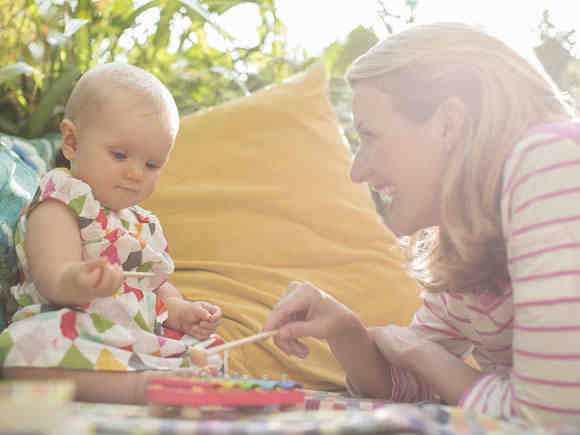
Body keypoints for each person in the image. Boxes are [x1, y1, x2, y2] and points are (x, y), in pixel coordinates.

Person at [264, 22, 580, 426]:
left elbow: (552, 420)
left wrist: (421, 352)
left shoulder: (551, 162)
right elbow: (415, 386)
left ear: (449, 123)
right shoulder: (466, 251)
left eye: (371, 135)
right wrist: (347, 332)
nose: (358, 171)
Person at [0, 62, 223, 402]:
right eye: (119, 155)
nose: (135, 174)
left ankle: (166, 377)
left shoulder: (142, 223)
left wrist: (181, 310)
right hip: (74, 327)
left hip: (134, 341)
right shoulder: (62, 198)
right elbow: (52, 275)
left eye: (152, 165)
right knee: (19, 350)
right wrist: (79, 280)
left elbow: (157, 285)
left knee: (212, 351)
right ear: (72, 142)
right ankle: (138, 387)